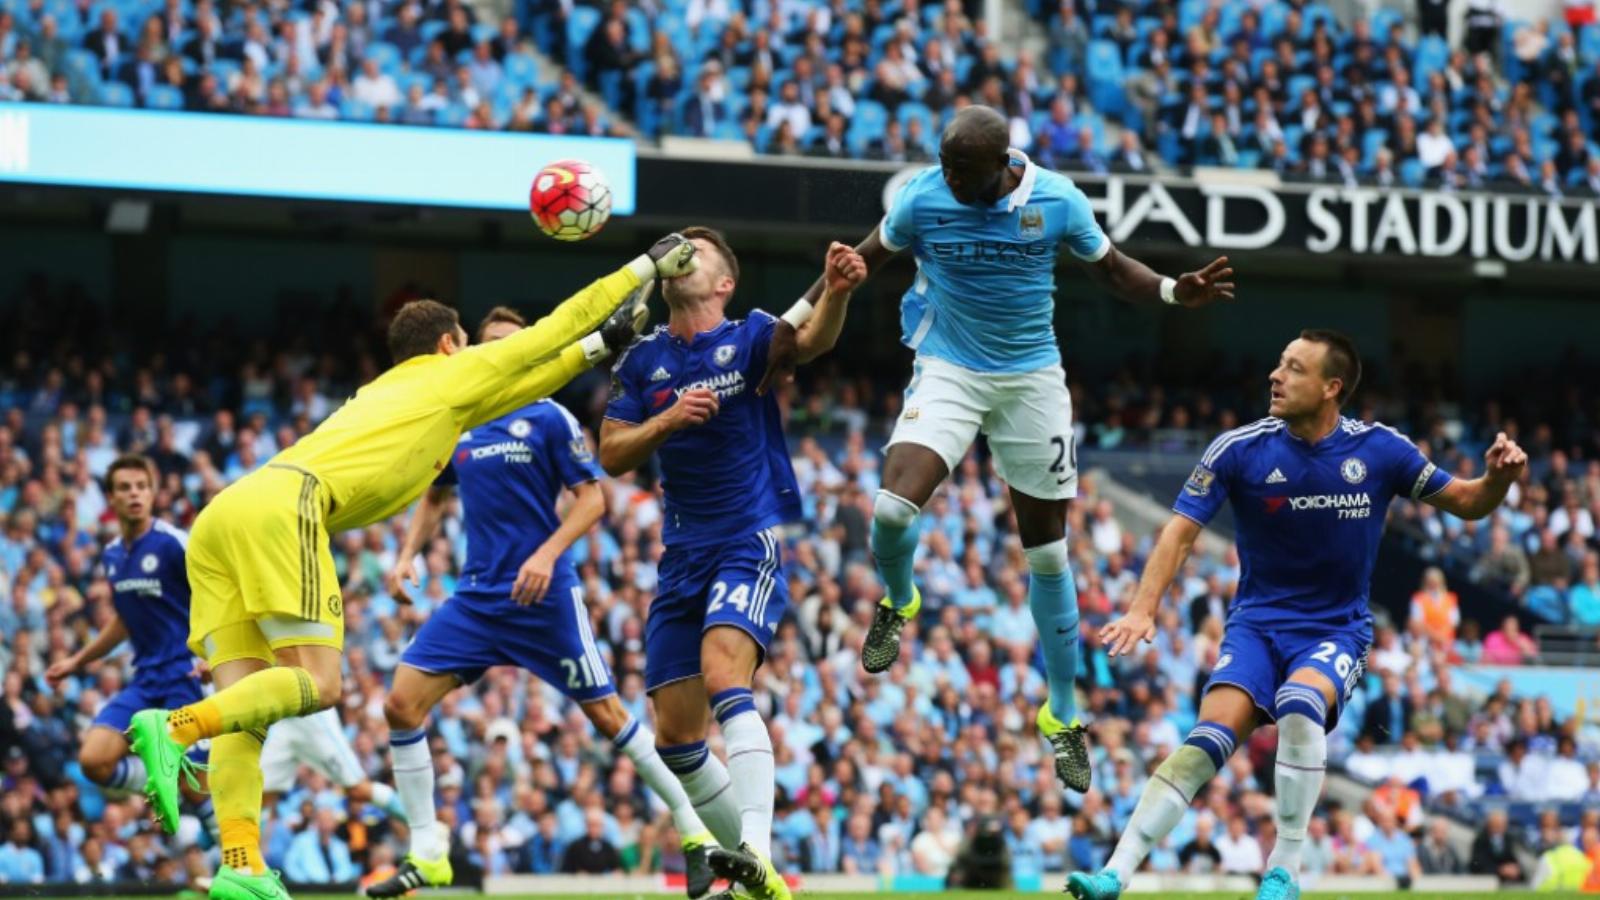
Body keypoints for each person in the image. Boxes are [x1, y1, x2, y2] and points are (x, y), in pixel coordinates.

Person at [121, 235, 700, 900]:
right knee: (318, 685)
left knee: (246, 708)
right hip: (287, 510)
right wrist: (645, 269)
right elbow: (550, 333)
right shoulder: (451, 376)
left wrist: (603, 346)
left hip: (224, 517)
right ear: (454, 344)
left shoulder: (403, 392)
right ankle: (175, 727)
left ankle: (240, 866)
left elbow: (532, 378)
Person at [759, 103, 1234, 795]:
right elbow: (857, 262)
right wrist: (790, 323)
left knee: (1047, 554)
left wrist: (1171, 290)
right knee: (891, 510)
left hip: (1031, 381)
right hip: (949, 368)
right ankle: (901, 600)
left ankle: (1062, 715)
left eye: (961, 170)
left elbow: (1110, 269)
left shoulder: (1057, 199)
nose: (947, 178)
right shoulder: (924, 196)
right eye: (945, 164)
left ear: (1000, 165)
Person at [1066, 329, 1527, 900]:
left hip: (1335, 630)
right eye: (1278, 364)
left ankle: (1283, 871)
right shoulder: (1238, 449)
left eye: (1293, 368)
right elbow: (1180, 532)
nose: (1274, 376)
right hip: (1256, 628)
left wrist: (1500, 480)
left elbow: (1467, 501)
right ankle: (1115, 874)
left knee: (1299, 705)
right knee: (1204, 742)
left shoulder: (1380, 450)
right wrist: (1142, 609)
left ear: (1332, 387)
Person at [367, 307, 718, 900]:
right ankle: (428, 852)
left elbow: (591, 502)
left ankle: (694, 832)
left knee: (608, 717)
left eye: (514, 343)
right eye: (492, 345)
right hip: (478, 599)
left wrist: (546, 554)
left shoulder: (550, 418)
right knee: (400, 706)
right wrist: (405, 556)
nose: (504, 352)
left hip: (547, 597)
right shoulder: (462, 422)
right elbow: (433, 497)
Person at [600, 228, 866, 900]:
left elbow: (810, 343)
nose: (682, 255)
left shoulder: (749, 334)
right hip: (680, 552)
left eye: (700, 252)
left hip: (747, 535)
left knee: (726, 676)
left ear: (724, 283)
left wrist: (833, 293)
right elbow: (610, 453)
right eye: (677, 249)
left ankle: (754, 845)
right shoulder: (642, 360)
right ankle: (762, 881)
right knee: (676, 739)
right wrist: (666, 423)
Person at [44, 455, 216, 839]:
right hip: (146, 679)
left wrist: (213, 655)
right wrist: (76, 660)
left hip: (186, 677)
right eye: (125, 488)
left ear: (153, 493)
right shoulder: (112, 556)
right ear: (111, 498)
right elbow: (125, 618)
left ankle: (234, 869)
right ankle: (160, 777)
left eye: (141, 486)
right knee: (94, 760)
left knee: (197, 787)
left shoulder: (174, 544)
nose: (134, 493)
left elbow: (216, 594)